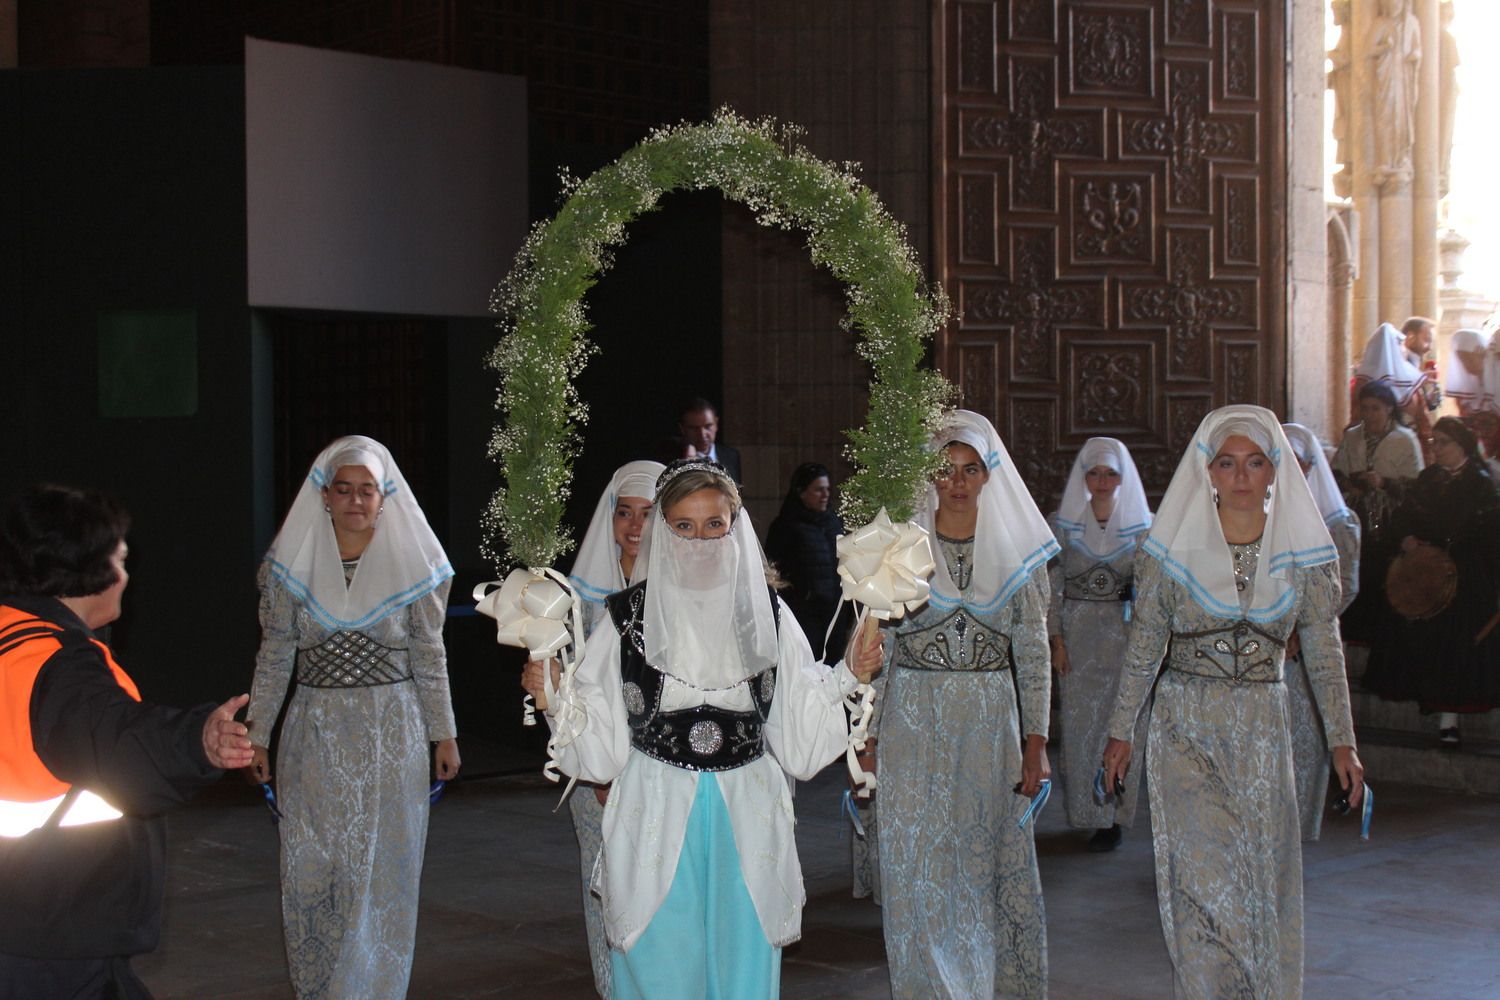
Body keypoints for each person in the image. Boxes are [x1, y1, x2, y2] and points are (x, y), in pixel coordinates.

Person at [524, 458, 882, 999]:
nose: (700, 539)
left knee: (744, 956)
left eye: (715, 524)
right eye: (684, 527)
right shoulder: (628, 620)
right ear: (663, 533)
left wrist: (847, 676)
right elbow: (596, 731)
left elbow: (796, 722)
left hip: (748, 806)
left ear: (735, 527)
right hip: (657, 804)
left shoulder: (766, 612)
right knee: (660, 956)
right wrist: (552, 692)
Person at [1102, 405, 1364, 1000]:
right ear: (1208, 471)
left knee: (1258, 876)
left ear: (1276, 472)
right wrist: (1122, 732)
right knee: (1201, 878)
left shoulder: (1304, 559)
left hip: (1265, 731)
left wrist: (1342, 740)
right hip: (1184, 727)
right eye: (1227, 462)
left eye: (1254, 462)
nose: (1241, 475)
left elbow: (1324, 655)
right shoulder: (1170, 554)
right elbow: (1144, 648)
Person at [0, 484, 253, 999]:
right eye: (121, 560)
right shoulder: (60, 667)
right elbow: (116, 743)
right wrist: (198, 743)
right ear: (91, 571)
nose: (126, 577)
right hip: (50, 931)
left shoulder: (12, 637)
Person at [247, 436, 459, 1000]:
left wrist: (444, 732)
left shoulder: (412, 567)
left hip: (393, 729)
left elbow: (428, 652)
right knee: (311, 868)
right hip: (313, 731)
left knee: (382, 871)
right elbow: (275, 654)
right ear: (325, 495)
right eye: (345, 489)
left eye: (368, 490)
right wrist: (258, 733)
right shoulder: (293, 569)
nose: (356, 501)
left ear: (384, 498)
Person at [872, 409, 1055, 999]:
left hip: (989, 725)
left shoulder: (1015, 556)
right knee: (916, 865)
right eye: (944, 470)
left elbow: (1032, 653)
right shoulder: (900, 553)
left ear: (987, 475)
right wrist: (866, 742)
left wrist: (1036, 743)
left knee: (979, 866)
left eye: (969, 469)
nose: (956, 481)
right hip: (913, 721)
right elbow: (880, 654)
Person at [563, 459, 663, 999]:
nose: (633, 526)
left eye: (648, 515)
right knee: (601, 884)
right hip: (595, 764)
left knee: (655, 885)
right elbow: (573, 690)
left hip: (662, 767)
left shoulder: (686, 593)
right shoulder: (582, 600)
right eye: (624, 512)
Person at [1363, 417, 1500, 746]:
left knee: (1457, 643)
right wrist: (1407, 538)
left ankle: (1449, 718)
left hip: (1466, 575)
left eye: (1442, 442)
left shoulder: (1480, 483)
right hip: (1425, 571)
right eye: (1433, 442)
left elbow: (1489, 534)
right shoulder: (1428, 479)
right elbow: (1404, 516)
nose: (1435, 448)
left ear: (1461, 445)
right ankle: (1424, 696)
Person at [1047, 437, 1151, 852]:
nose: (1102, 481)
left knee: (1123, 726)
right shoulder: (1062, 525)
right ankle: (1088, 811)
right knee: (1080, 726)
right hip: (1079, 639)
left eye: (1111, 473)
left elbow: (1151, 592)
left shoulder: (1144, 526)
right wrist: (1055, 638)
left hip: (1125, 639)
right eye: (1094, 473)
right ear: (1083, 477)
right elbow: (1051, 587)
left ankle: (1116, 816)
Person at [1282, 423, 1361, 840]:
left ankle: (1297, 828)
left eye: (1299, 464)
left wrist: (1301, 626)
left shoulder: (1338, 522)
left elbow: (1346, 585)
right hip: (1266, 646)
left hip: (1311, 645)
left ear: (1311, 467)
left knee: (1306, 739)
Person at [1330, 381, 1424, 643]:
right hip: (1357, 514)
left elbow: (1416, 484)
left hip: (1389, 520)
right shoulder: (1353, 436)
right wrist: (1350, 483)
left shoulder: (1405, 440)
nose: (1369, 414)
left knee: (1382, 577)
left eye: (1376, 409)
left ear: (1389, 410)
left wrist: (1384, 483)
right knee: (1355, 572)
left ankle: (1380, 643)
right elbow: (1336, 471)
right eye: (1365, 408)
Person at [763, 462, 849, 660]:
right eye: (819, 490)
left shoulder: (834, 523)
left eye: (827, 489)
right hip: (804, 618)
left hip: (833, 616)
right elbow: (774, 571)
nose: (825, 495)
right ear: (802, 493)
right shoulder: (785, 526)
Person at [1351, 322, 1435, 461]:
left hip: (1367, 448)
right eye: (1401, 345)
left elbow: (1355, 418)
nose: (1405, 350)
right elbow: (1423, 423)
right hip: (1405, 447)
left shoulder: (1360, 384)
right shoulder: (1412, 384)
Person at [666, 397, 742, 484]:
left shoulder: (731, 455)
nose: (702, 434)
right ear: (682, 429)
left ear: (716, 424)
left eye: (708, 426)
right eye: (694, 428)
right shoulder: (671, 459)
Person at [1445, 327, 1488, 416]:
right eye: (1462, 359)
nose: (1466, 364)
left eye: (1470, 358)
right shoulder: (1463, 389)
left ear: (1483, 356)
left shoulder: (1495, 384)